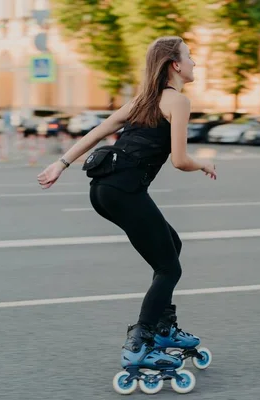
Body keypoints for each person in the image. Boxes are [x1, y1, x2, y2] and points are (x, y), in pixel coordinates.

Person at [37, 36, 217, 371]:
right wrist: (203, 163)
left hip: (103, 190)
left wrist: (59, 164)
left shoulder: (143, 101)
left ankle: (164, 327)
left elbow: (98, 132)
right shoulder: (177, 101)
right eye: (190, 57)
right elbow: (179, 160)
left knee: (171, 244)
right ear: (175, 65)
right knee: (169, 268)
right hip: (124, 190)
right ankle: (142, 341)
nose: (194, 63)